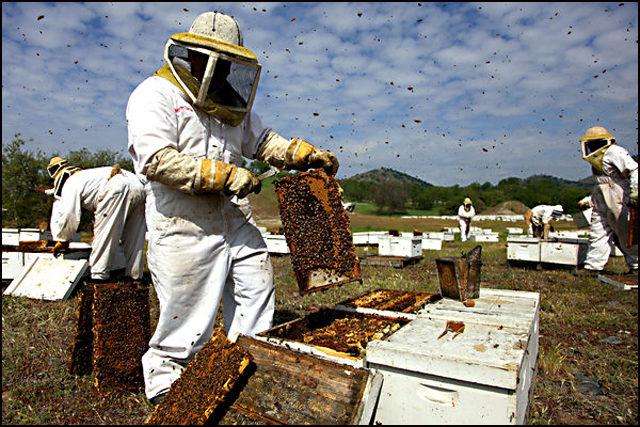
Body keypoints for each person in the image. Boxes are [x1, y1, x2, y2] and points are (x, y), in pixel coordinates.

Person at [126, 11, 339, 405]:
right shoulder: (154, 95)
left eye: (228, 64)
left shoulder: (231, 105)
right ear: (192, 56)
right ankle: (165, 383)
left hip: (233, 216)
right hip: (182, 220)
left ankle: (245, 359)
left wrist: (301, 154)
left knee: (257, 282)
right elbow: (156, 160)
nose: (221, 72)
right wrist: (224, 176)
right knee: (186, 312)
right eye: (215, 62)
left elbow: (263, 142)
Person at [46, 157, 146, 280]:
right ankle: (135, 278)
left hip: (116, 187)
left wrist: (62, 238)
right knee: (134, 237)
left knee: (104, 234)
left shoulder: (68, 181)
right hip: (138, 185)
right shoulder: (88, 175)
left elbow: (68, 214)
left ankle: (99, 279)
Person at [577, 126, 638, 276]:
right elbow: (602, 183)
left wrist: (636, 192)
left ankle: (636, 265)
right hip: (602, 196)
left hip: (619, 195)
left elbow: (634, 169)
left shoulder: (615, 151)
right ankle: (593, 266)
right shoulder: (599, 158)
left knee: (625, 232)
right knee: (598, 231)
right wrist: (590, 200)